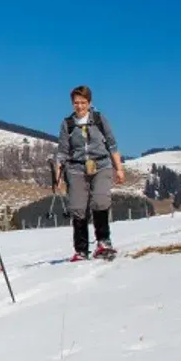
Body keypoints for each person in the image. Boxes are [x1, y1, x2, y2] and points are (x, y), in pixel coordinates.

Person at [53, 85, 125, 260]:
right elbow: (62, 151)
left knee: (100, 200)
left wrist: (119, 169)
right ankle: (81, 249)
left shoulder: (99, 119)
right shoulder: (67, 124)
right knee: (78, 208)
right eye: (76, 103)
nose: (79, 106)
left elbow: (112, 144)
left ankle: (103, 241)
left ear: (89, 102)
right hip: (76, 169)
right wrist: (58, 176)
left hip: (101, 165)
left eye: (83, 102)